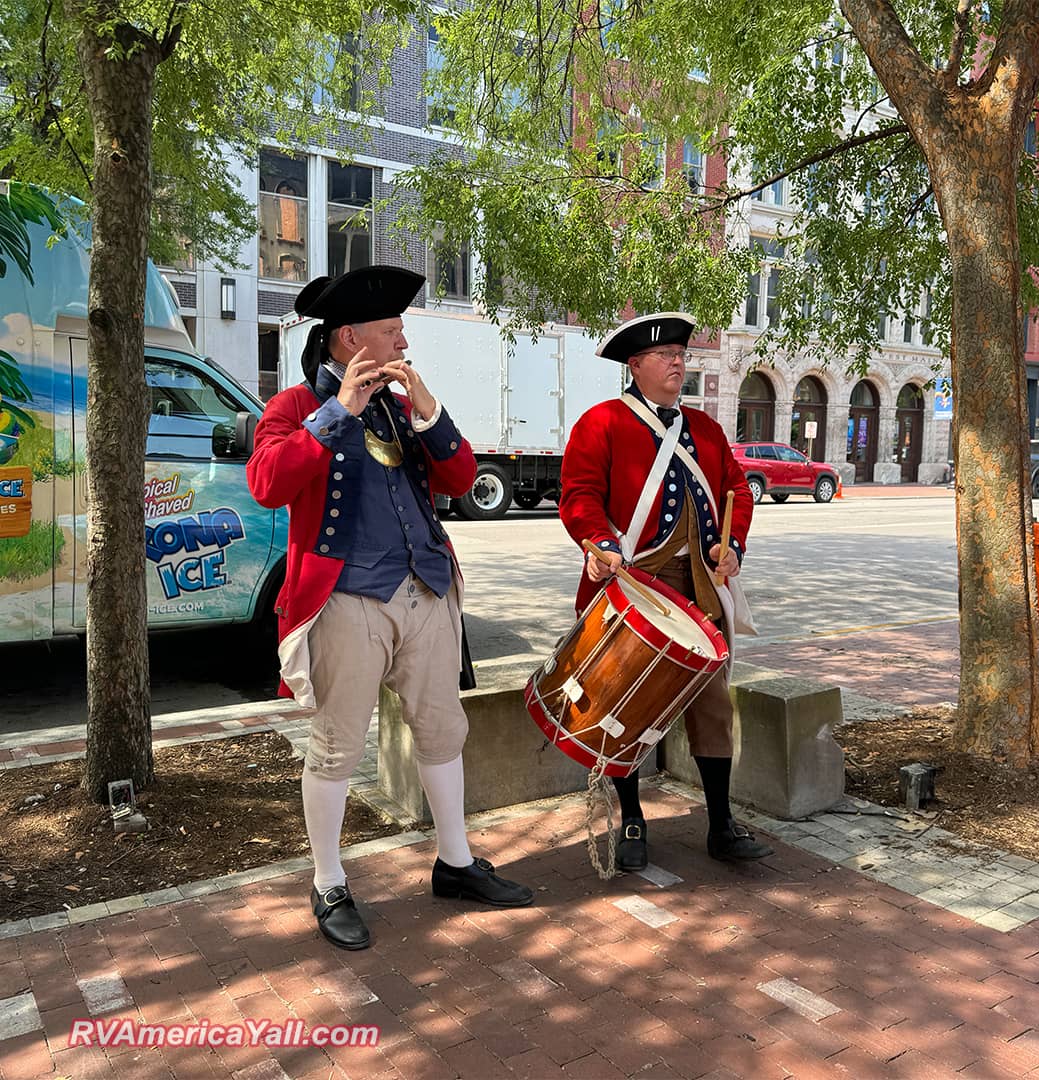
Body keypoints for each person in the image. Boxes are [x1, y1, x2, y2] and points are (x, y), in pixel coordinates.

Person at [247, 265, 532, 951]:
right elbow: (267, 483)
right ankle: (327, 880)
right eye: (391, 328)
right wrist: (336, 412)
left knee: (442, 731)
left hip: (426, 590)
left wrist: (429, 406)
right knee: (339, 745)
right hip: (346, 599)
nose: (403, 337)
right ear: (350, 339)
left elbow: (461, 478)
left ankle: (456, 863)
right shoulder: (292, 408)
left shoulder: (405, 409)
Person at [558, 312, 773, 871]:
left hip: (699, 583)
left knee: (712, 703)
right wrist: (599, 543)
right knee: (626, 705)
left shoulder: (705, 429)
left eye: (682, 353)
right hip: (632, 582)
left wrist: (735, 547)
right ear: (636, 366)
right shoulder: (600, 422)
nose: (678, 362)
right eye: (665, 355)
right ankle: (632, 819)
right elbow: (579, 495)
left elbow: (734, 492)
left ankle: (721, 824)